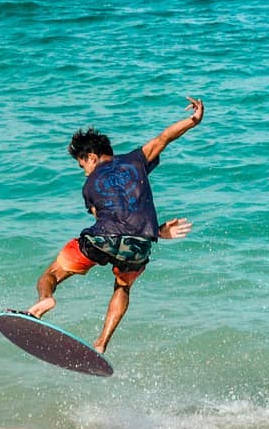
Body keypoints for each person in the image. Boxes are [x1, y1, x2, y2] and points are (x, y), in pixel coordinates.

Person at [25, 97, 205, 355]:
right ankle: (101, 344)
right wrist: (193, 121)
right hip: (140, 243)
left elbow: (105, 217)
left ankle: (45, 300)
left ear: (91, 157)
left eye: (82, 165)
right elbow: (163, 138)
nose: (85, 172)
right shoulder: (136, 160)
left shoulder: (89, 185)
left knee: (51, 274)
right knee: (123, 285)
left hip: (104, 237)